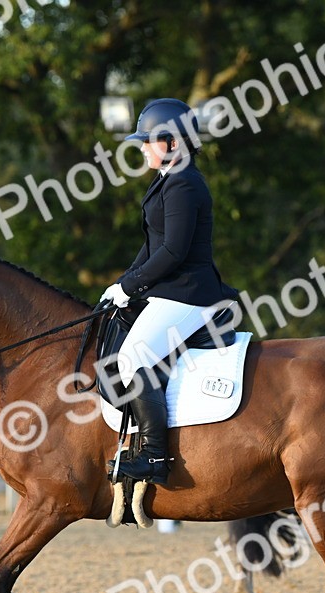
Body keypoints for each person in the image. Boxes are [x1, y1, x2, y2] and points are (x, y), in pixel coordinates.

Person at [100, 98, 238, 485]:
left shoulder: (184, 184)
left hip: (190, 293)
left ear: (174, 143)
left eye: (149, 141)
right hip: (169, 290)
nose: (142, 148)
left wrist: (132, 286)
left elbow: (174, 251)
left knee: (132, 358)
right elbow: (151, 244)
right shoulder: (167, 179)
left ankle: (156, 457)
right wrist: (122, 285)